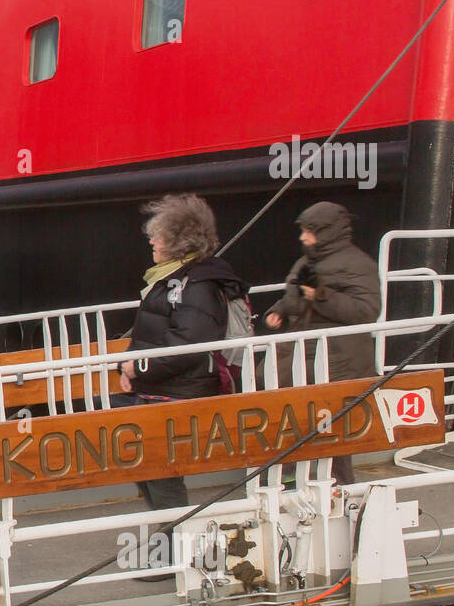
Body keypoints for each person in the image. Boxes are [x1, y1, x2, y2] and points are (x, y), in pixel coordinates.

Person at [116, 194, 247, 577]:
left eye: (158, 237)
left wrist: (137, 368)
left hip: (183, 390)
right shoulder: (177, 281)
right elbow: (157, 335)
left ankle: (174, 547)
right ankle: (170, 539)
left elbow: (188, 347)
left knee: (159, 464)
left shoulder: (197, 287)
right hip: (164, 385)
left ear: (179, 244)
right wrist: (131, 366)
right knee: (145, 462)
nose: (152, 243)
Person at [265, 202, 382, 487]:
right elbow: (294, 294)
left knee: (330, 425)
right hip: (304, 352)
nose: (303, 238)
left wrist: (322, 296)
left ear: (327, 233)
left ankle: (341, 487)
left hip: (338, 358)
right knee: (288, 413)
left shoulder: (358, 265)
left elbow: (367, 310)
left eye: (309, 232)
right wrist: (278, 310)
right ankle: (293, 481)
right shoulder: (308, 262)